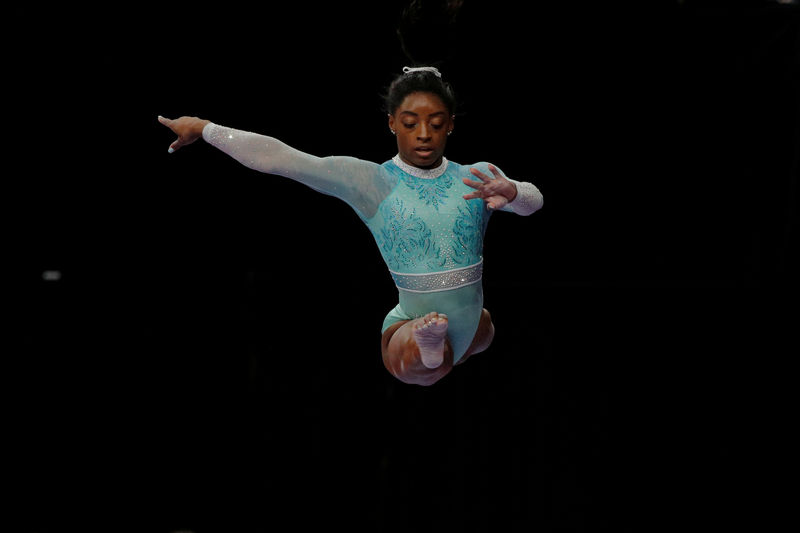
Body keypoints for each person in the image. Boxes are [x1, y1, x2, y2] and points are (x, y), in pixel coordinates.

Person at [158, 66, 542, 386]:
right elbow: (281, 158)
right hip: (410, 324)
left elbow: (533, 203)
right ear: (393, 123)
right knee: (427, 364)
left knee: (485, 331)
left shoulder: (477, 177)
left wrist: (513, 193)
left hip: (472, 324)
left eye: (436, 123)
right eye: (410, 123)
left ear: (450, 126)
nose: (424, 134)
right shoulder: (371, 181)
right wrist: (206, 129)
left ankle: (442, 343)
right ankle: (427, 347)